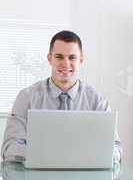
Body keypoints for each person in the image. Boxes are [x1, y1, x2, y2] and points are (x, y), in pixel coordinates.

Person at [1, 30, 122, 164]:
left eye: (72, 57)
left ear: (81, 60)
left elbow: (116, 150)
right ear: (50, 58)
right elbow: (9, 149)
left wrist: (72, 156)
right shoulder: (26, 97)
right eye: (59, 57)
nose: (65, 64)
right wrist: (54, 155)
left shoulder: (97, 101)